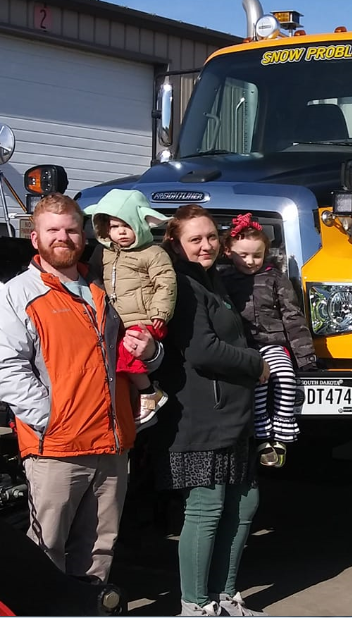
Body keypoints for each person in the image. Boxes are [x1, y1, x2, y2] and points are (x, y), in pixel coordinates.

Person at [0, 193, 162, 583]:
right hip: (57, 450)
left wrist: (151, 353)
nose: (63, 237)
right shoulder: (17, 297)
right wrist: (53, 419)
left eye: (71, 229)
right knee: (45, 551)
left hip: (112, 446)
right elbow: (4, 370)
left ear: (83, 235)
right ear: (35, 238)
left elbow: (129, 359)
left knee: (100, 548)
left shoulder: (104, 292)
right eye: (53, 230)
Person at [151, 205, 271, 617]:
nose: (205, 245)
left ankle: (224, 597)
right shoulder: (182, 285)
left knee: (245, 503)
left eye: (210, 237)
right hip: (200, 416)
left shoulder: (213, 280)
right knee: (206, 508)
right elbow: (202, 350)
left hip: (232, 417)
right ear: (176, 244)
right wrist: (256, 364)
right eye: (194, 239)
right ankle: (195, 605)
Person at [220, 213, 317, 468]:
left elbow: (292, 316)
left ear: (266, 252)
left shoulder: (276, 278)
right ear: (229, 251)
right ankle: (263, 436)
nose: (251, 261)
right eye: (244, 255)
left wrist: (305, 357)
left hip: (274, 343)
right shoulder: (224, 281)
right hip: (244, 346)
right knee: (258, 382)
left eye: (257, 255)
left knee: (285, 377)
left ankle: (283, 432)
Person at [84, 188, 177, 429]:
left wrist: (160, 312)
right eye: (114, 227)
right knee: (115, 358)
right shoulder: (105, 254)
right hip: (120, 320)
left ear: (142, 224)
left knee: (126, 354)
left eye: (127, 225)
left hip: (145, 319)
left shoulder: (153, 253)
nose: (121, 232)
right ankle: (134, 402)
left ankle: (149, 393)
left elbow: (166, 282)